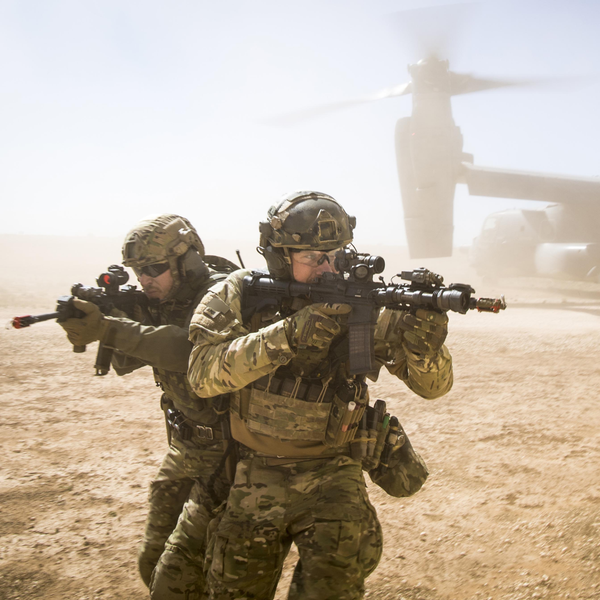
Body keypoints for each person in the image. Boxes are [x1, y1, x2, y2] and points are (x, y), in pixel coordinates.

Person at [186, 191, 453, 599]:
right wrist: (288, 335)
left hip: (334, 473)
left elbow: (434, 388)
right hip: (255, 472)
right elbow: (202, 375)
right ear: (279, 258)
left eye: (335, 255)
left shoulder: (364, 303)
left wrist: (424, 349)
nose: (327, 268)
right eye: (311, 257)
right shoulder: (239, 292)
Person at [58, 214, 238, 598]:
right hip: (187, 447)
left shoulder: (225, 294)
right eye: (138, 271)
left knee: (214, 576)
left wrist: (112, 328)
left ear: (186, 260)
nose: (145, 279)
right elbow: (126, 363)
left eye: (154, 268)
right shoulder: (160, 300)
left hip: (234, 455)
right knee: (153, 560)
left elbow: (190, 351)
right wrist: (109, 318)